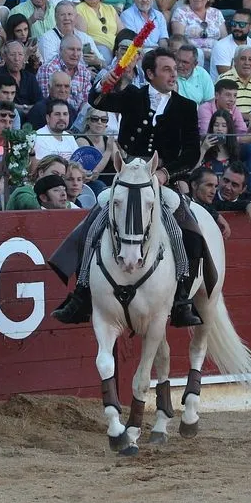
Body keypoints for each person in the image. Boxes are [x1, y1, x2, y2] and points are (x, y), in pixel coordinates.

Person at [49, 47, 203, 328]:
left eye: (174, 69)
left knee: (189, 231)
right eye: (166, 69)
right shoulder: (133, 95)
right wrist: (105, 82)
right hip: (127, 175)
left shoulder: (186, 106)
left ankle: (182, 298)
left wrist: (166, 173)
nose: (174, 74)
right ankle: (82, 291)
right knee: (94, 221)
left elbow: (192, 152)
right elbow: (98, 100)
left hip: (160, 178)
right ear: (150, 74)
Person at [171, 0, 227, 65]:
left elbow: (225, 39)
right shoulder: (181, 12)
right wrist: (203, 54)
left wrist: (218, 54)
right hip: (192, 56)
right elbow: (179, 41)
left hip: (216, 56)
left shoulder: (216, 13)